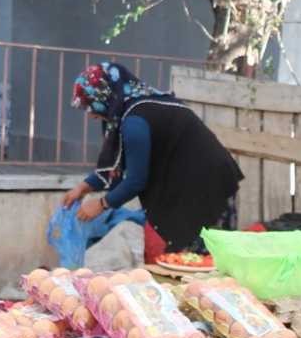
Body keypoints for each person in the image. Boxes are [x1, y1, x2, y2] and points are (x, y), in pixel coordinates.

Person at [61, 62, 243, 254]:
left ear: (105, 96)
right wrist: (83, 187)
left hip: (206, 184)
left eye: (90, 105)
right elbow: (115, 164)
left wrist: (101, 204)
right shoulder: (126, 111)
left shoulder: (134, 121)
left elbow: (135, 180)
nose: (90, 115)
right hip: (189, 181)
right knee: (188, 258)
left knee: (205, 259)